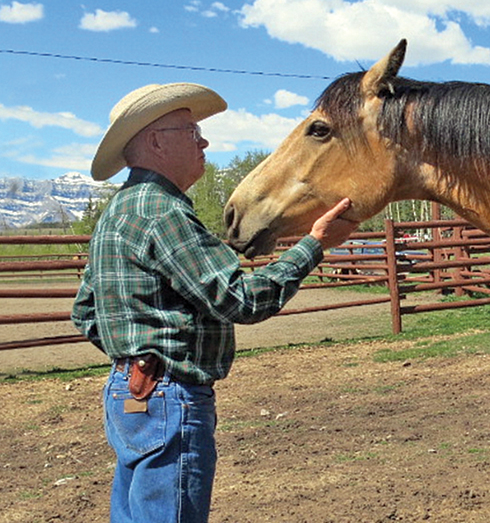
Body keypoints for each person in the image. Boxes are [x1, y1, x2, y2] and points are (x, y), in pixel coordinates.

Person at [71, 82, 358, 523]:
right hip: (169, 394)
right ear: (154, 141)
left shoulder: (119, 209)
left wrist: (136, 353)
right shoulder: (162, 212)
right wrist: (314, 245)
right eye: (190, 131)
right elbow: (241, 300)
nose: (203, 141)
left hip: (127, 391)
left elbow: (86, 312)